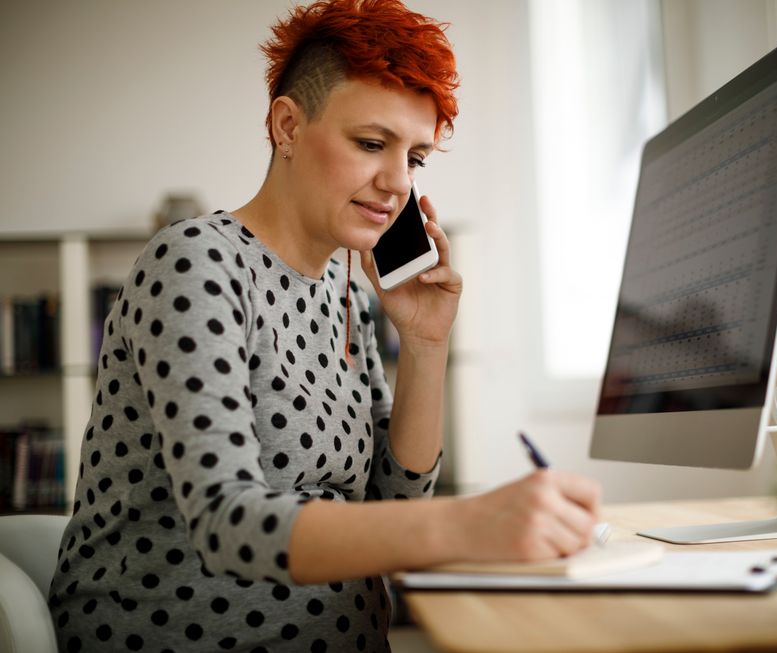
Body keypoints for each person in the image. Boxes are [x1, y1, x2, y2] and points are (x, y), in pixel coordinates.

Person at [48, 1, 601, 651]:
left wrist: (424, 343)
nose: (397, 183)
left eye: (415, 157)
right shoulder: (196, 259)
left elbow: (395, 507)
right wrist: (473, 521)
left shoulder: (343, 291)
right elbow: (230, 522)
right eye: (372, 143)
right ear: (287, 125)